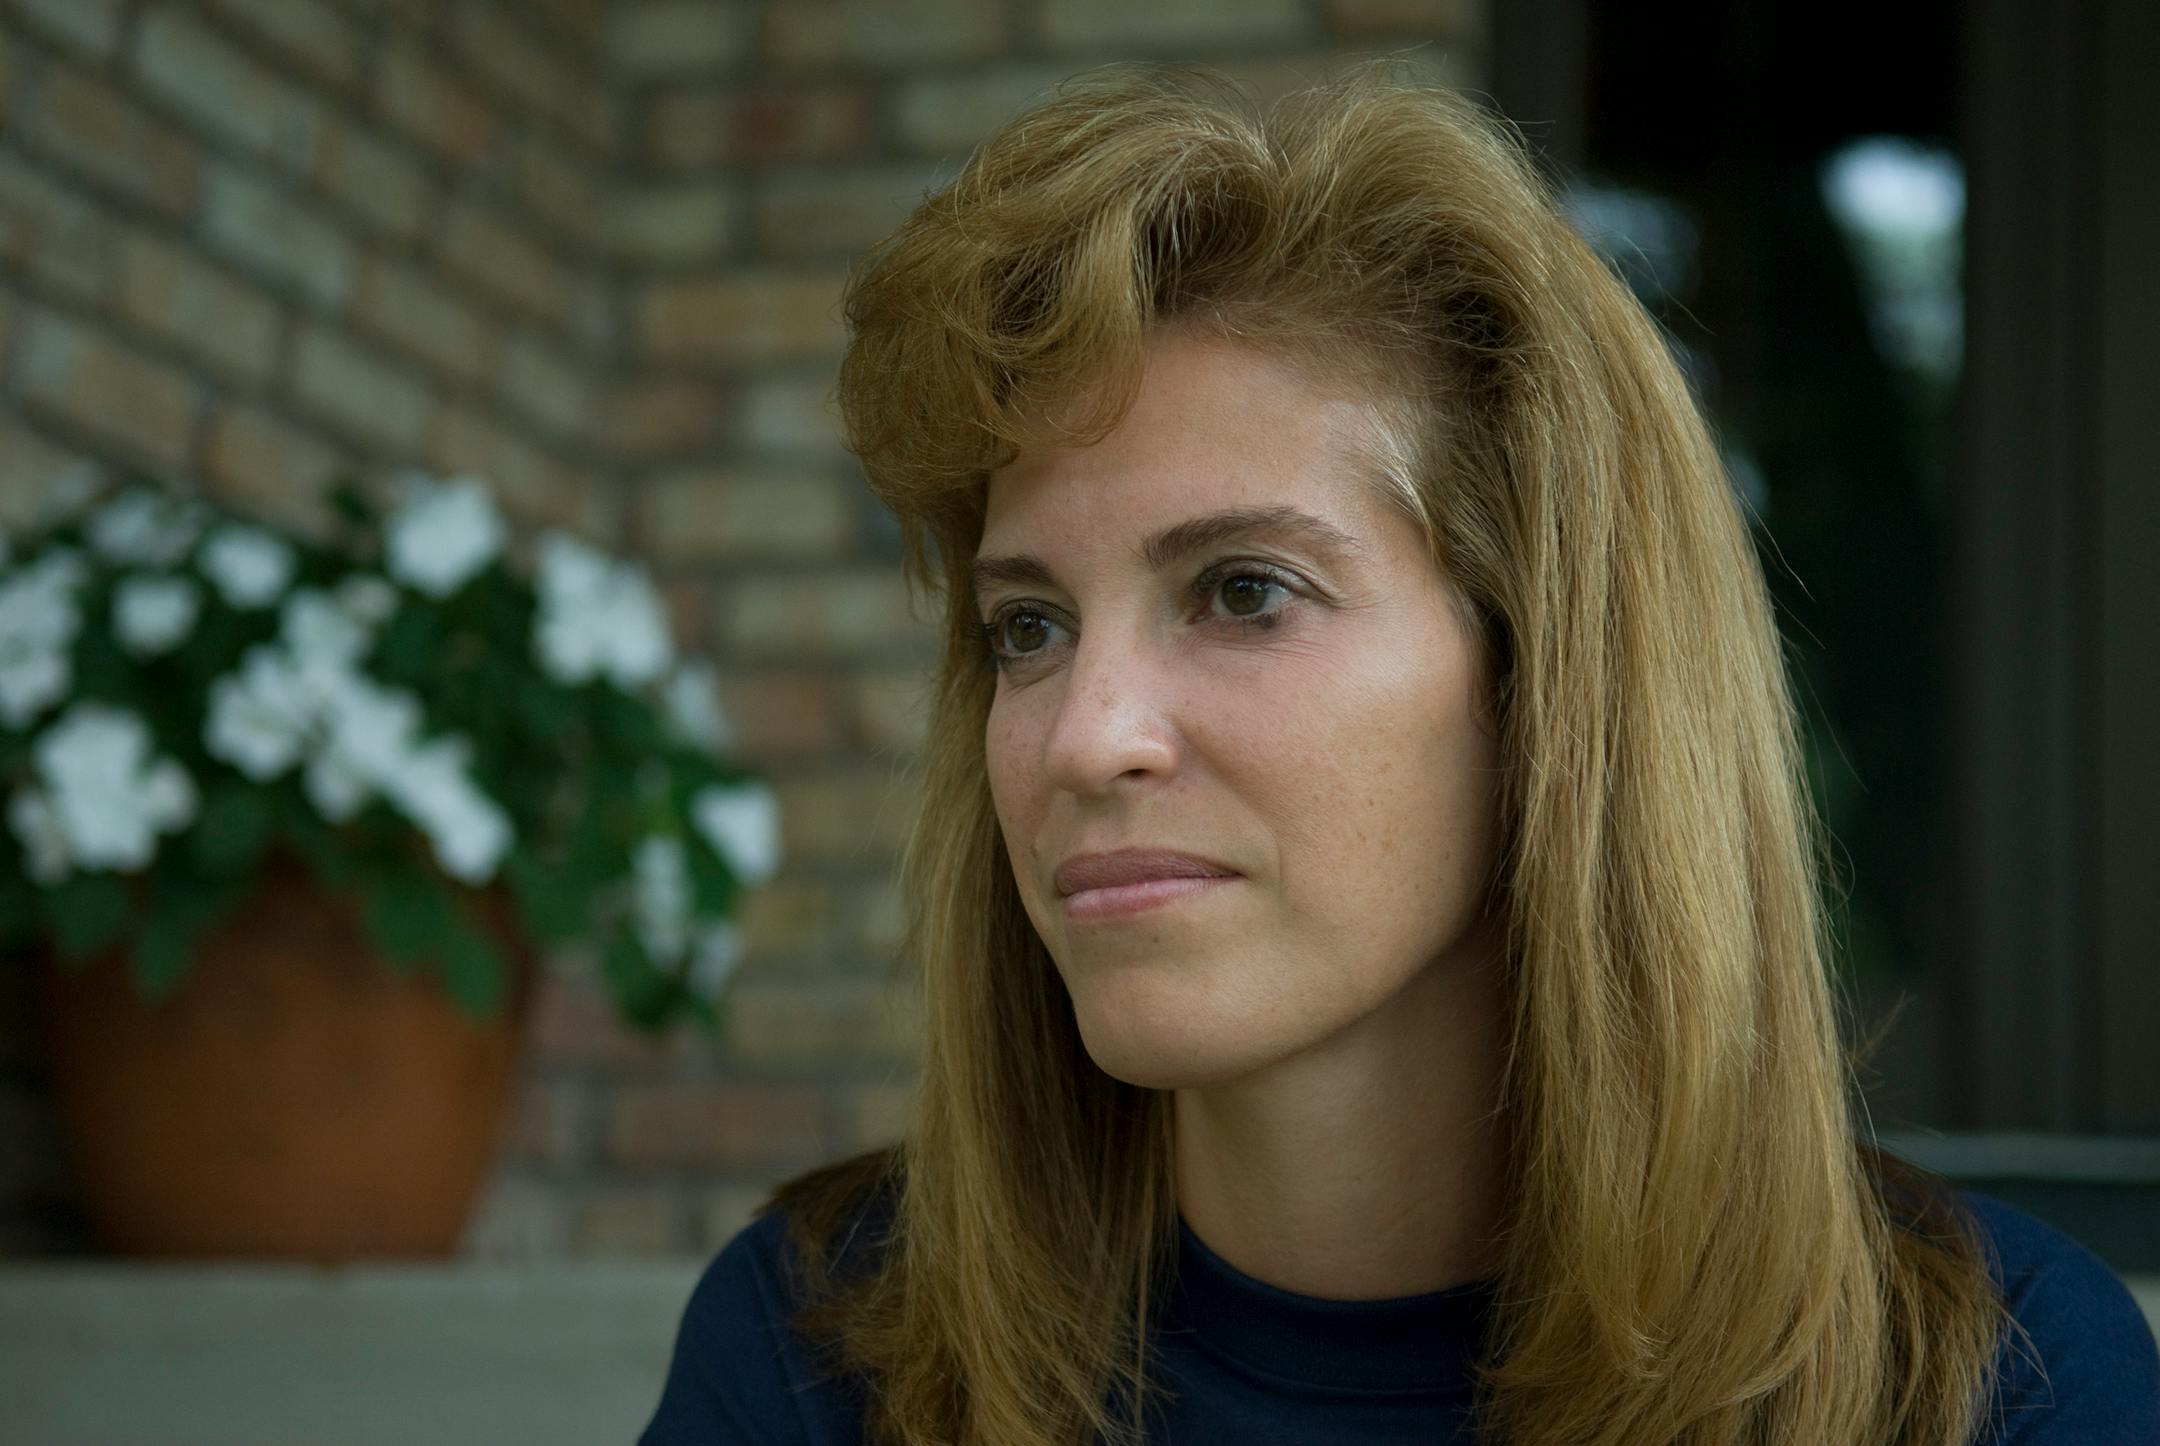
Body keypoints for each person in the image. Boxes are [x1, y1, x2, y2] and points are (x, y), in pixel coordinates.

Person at [639, 61, 2160, 1446]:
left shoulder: (1983, 1387)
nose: (1087, 737)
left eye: (1245, 592)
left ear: (1551, 677)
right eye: (1028, 626)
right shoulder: (818, 1355)